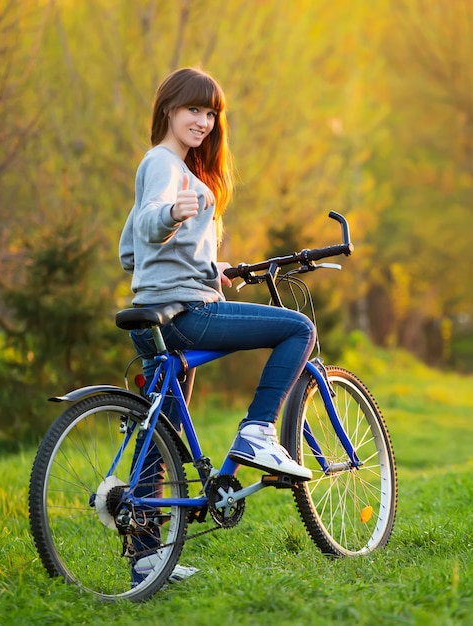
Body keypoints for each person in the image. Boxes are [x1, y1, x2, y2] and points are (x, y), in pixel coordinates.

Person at [119, 67, 316, 584]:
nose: (203, 121)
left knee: (157, 436)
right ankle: (257, 432)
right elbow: (149, 223)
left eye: (211, 113)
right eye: (193, 110)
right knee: (297, 329)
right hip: (186, 317)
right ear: (168, 110)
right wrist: (170, 217)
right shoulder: (164, 164)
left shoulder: (168, 167)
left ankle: (146, 557)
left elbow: (128, 251)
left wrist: (212, 268)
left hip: (153, 313)